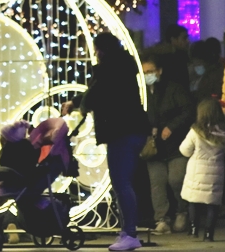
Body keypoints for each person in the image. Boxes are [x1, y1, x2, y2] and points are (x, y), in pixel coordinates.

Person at [62, 32, 150, 251]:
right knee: (122, 182)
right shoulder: (122, 66)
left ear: (103, 49)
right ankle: (127, 232)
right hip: (130, 130)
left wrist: (76, 104)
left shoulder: (111, 69)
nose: (95, 55)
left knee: (121, 182)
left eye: (96, 50)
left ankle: (130, 233)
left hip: (123, 131)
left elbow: (97, 92)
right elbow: (98, 92)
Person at [140, 52, 195, 234]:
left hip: (175, 146)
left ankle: (182, 211)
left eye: (151, 71)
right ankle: (161, 218)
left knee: (176, 179)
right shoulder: (142, 92)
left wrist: (171, 126)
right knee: (157, 183)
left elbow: (187, 111)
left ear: (160, 71)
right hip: (154, 148)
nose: (148, 75)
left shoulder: (173, 89)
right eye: (145, 71)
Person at [179, 98, 225, 242]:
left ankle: (194, 229)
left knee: (193, 201)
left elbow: (184, 150)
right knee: (212, 205)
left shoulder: (195, 131)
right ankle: (209, 234)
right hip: (216, 173)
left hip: (196, 172)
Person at [154, 25, 191, 90]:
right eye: (184, 38)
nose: (188, 41)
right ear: (173, 39)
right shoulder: (177, 58)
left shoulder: (182, 56)